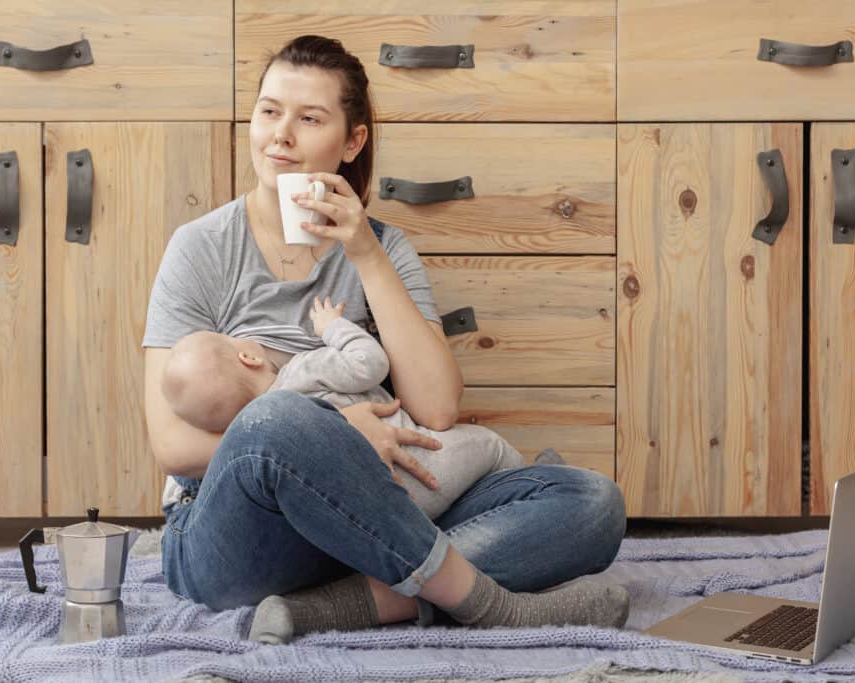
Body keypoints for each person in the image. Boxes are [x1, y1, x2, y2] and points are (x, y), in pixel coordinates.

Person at [142, 34, 629, 645]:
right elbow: (172, 442)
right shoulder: (202, 248)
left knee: (591, 503)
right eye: (268, 111)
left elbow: (437, 409)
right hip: (235, 535)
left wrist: (367, 254)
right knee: (276, 418)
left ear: (353, 141)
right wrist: (333, 442)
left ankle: (336, 607)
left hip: (371, 519)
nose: (279, 135)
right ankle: (486, 602)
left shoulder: (382, 249)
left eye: (308, 118)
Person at [161, 295, 526, 520]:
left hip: (368, 509)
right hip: (421, 472)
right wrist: (333, 327)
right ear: (248, 356)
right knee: (490, 446)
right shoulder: (302, 371)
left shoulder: (255, 437)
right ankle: (534, 483)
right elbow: (371, 363)